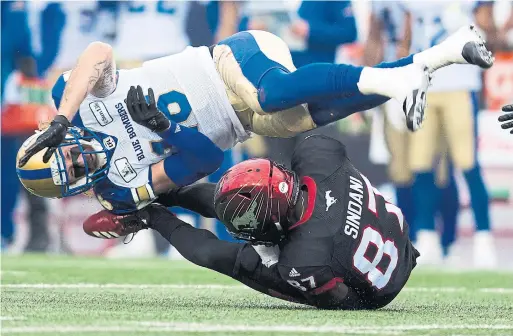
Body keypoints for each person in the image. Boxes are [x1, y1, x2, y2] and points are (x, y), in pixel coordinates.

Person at [16, 27, 493, 215]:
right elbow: (207, 158)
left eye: (69, 155)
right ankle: (444, 53)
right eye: (77, 174)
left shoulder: (71, 101)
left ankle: (397, 84)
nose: (81, 161)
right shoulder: (119, 186)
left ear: (57, 139)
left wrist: (62, 116)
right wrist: (165, 129)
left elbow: (98, 52)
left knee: (271, 95)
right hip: (242, 122)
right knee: (333, 106)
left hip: (227, 62)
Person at [83, 134, 418, 310]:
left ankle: (151, 214)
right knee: (241, 198)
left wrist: (297, 274)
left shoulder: (304, 258)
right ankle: (153, 196)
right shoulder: (318, 160)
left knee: (230, 259)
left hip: (375, 290)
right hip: (392, 235)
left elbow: (341, 299)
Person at [401, 2, 497, 267]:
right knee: (420, 163)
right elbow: (406, 34)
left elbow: (492, 34)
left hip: (460, 85)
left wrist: (475, 30)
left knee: (467, 163)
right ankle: (427, 234)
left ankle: (483, 236)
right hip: (424, 83)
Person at [363, 1, 460, 259]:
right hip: (393, 80)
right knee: (400, 168)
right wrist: (365, 84)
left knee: (436, 166)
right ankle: (411, 236)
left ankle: (447, 238)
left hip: (432, 84)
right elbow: (375, 35)